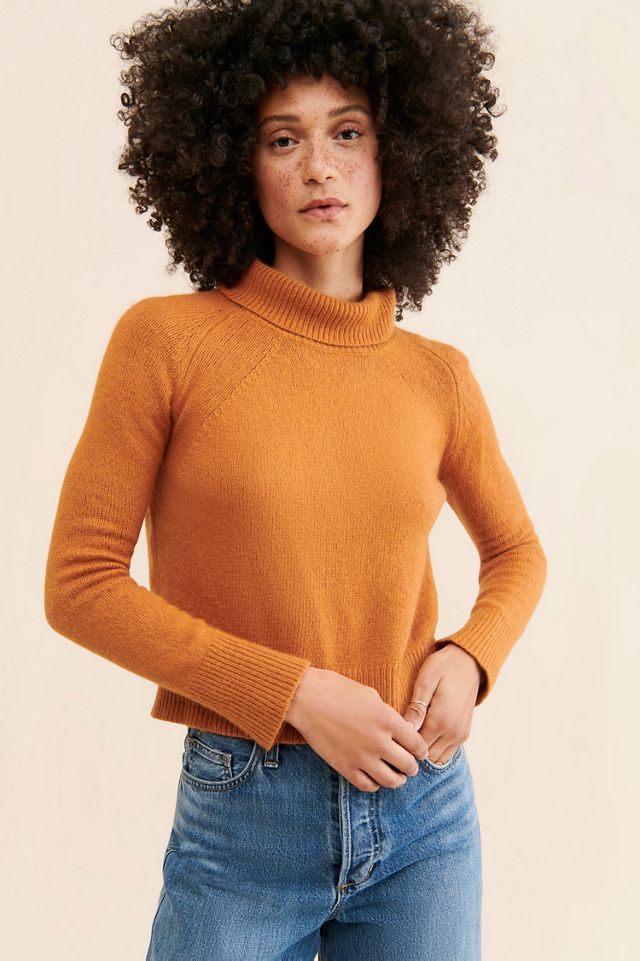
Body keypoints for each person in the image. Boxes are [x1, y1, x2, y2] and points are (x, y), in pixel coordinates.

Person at [44, 1, 547, 958]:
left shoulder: (436, 374)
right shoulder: (166, 342)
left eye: (347, 132)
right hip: (246, 809)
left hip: (424, 807)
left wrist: (471, 656)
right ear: (235, 161)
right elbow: (79, 584)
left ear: (399, 150)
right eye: (284, 138)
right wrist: (292, 691)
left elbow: (518, 551)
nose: (320, 166)